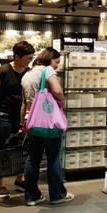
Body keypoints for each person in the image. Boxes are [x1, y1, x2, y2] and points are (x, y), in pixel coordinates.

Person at [22, 48, 73, 205]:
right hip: (48, 122)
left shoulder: (27, 74)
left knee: (33, 158)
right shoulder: (47, 70)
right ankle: (57, 195)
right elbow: (57, 90)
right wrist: (61, 98)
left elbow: (24, 102)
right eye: (56, 62)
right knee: (54, 158)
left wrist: (22, 122)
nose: (57, 65)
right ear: (49, 60)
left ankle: (31, 196)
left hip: (32, 121)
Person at [0, 41, 35, 198]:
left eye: (31, 58)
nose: (29, 61)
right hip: (2, 115)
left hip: (19, 116)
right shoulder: (4, 71)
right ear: (17, 56)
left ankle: (20, 179)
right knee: (0, 150)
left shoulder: (28, 72)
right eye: (27, 58)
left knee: (21, 147)